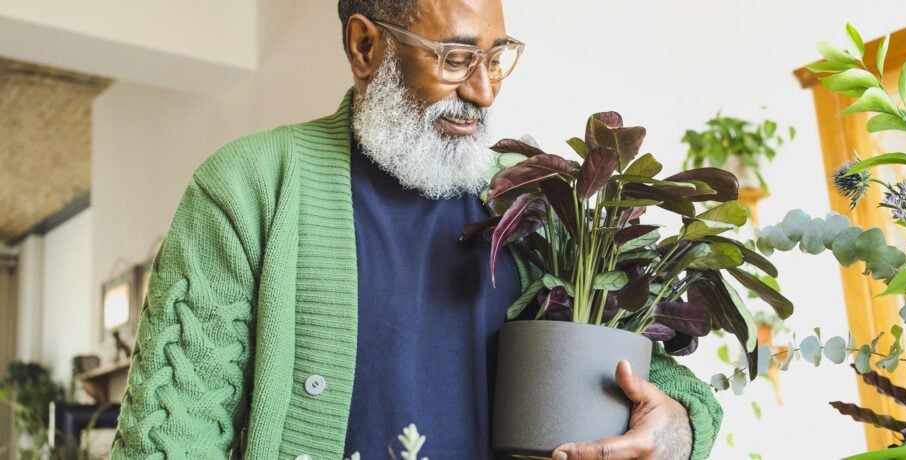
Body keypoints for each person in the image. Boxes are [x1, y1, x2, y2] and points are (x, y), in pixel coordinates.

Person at [110, 0, 722, 458]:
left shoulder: (536, 194)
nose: (484, 90)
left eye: (497, 55)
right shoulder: (246, 186)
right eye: (456, 58)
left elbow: (641, 373)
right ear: (365, 46)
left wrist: (678, 428)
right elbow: (175, 428)